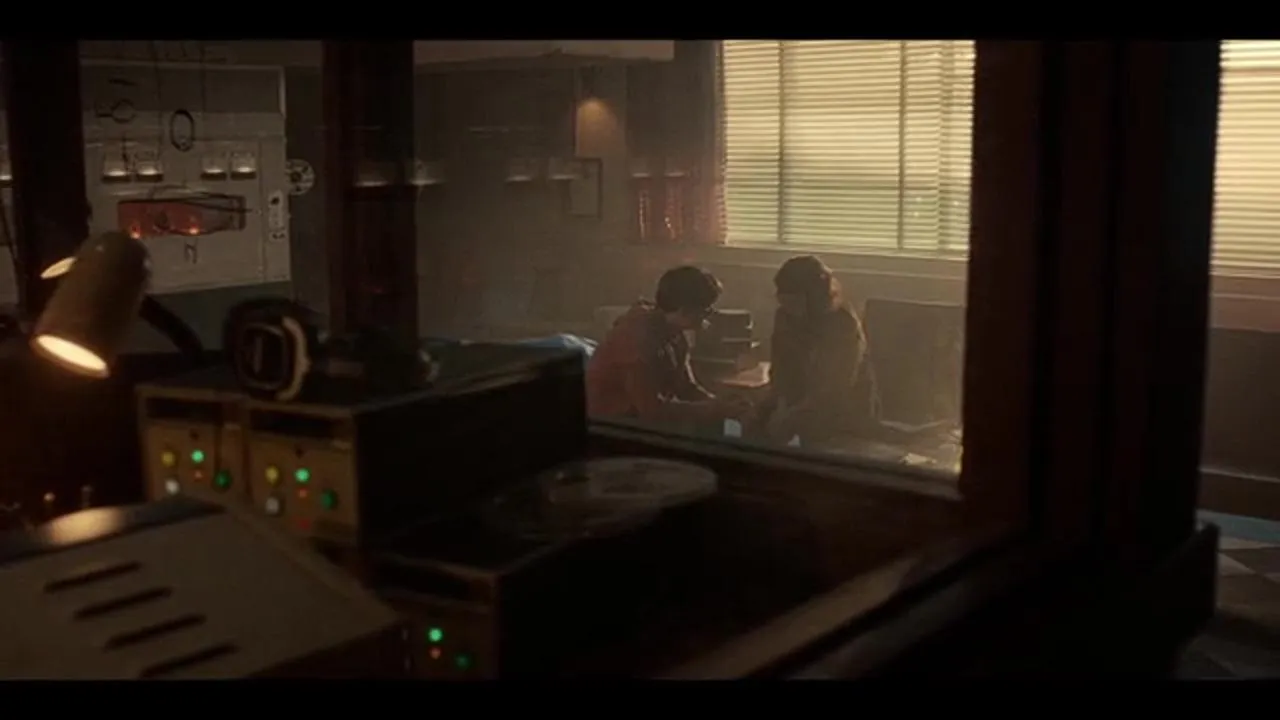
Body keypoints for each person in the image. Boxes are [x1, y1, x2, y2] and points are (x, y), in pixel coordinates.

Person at [587, 265, 747, 427]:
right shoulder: (633, 340)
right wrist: (712, 410)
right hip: (610, 426)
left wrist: (720, 404)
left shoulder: (675, 334)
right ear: (685, 310)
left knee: (730, 425)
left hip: (640, 421)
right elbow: (651, 409)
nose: (709, 314)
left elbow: (686, 387)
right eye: (706, 309)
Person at [750, 255, 881, 446]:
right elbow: (780, 371)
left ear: (816, 296)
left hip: (844, 415)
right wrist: (768, 406)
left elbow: (833, 389)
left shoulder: (842, 324)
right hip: (798, 407)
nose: (786, 308)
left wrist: (792, 416)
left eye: (794, 301)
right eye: (782, 300)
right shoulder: (784, 316)